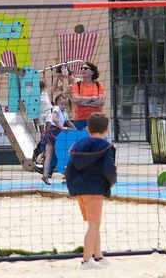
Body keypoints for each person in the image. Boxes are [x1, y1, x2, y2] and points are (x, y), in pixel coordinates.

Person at [65, 112, 117, 270]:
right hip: (94, 190)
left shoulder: (78, 145)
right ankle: (86, 261)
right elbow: (109, 168)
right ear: (107, 130)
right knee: (93, 225)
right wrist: (112, 181)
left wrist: (73, 187)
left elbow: (69, 168)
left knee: (94, 224)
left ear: (87, 129)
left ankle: (98, 256)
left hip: (79, 190)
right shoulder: (106, 147)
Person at [32, 93, 76, 184]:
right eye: (62, 104)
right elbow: (55, 120)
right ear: (57, 103)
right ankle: (45, 175)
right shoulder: (56, 109)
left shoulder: (64, 113)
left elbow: (69, 122)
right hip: (52, 132)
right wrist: (62, 127)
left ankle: (66, 174)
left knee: (62, 154)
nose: (63, 106)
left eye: (65, 104)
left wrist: (76, 130)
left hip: (59, 134)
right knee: (49, 155)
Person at [69, 62, 105, 130]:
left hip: (96, 119)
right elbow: (75, 99)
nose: (83, 70)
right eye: (81, 68)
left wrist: (84, 103)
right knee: (81, 137)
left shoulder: (99, 85)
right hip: (80, 119)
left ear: (92, 72)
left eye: (85, 68)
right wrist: (92, 98)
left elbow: (101, 102)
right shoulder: (77, 85)